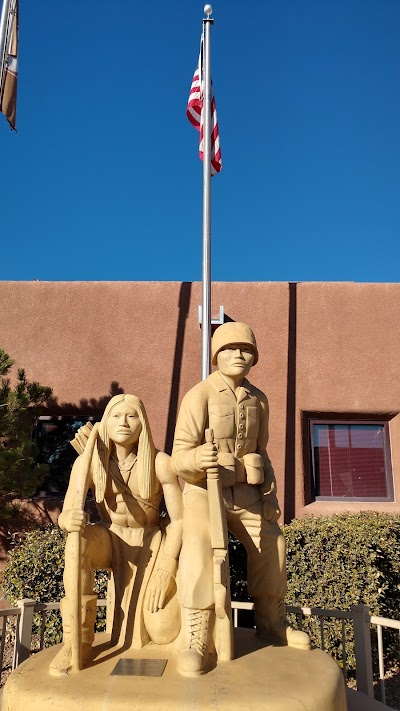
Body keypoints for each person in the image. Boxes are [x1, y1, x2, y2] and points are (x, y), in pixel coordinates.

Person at [172, 322, 310, 676]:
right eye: (230, 348)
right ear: (216, 355)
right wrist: (197, 460)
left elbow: (262, 451)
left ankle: (270, 622)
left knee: (272, 543)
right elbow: (178, 457)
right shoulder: (198, 395)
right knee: (200, 546)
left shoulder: (259, 399)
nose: (239, 355)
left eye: (246, 350)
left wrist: (268, 491)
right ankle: (196, 634)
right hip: (205, 491)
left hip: (247, 492)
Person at [50, 394, 182, 676]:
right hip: (110, 538)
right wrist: (68, 519)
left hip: (150, 541)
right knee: (78, 546)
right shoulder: (90, 463)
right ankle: (77, 642)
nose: (123, 422)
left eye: (131, 416)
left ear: (143, 424)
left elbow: (180, 520)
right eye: (116, 416)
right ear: (105, 423)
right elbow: (67, 513)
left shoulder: (160, 463)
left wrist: (167, 568)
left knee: (162, 630)